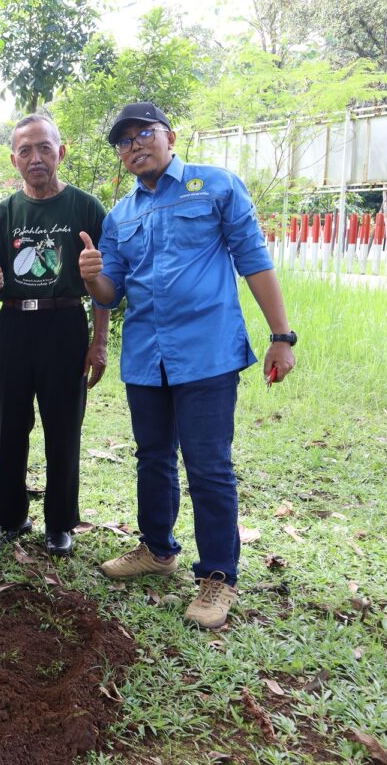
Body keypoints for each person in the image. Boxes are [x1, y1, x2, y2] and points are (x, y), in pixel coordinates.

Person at [79, 101, 297, 629]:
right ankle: (157, 549)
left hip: (207, 353)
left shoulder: (217, 185)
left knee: (208, 465)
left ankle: (218, 575)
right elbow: (112, 291)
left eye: (143, 133)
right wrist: (91, 277)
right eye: (124, 140)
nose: (135, 145)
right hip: (146, 357)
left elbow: (254, 259)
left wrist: (281, 336)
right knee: (152, 456)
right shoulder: (121, 216)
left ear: (169, 136)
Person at [0, 115, 109, 557]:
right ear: (14, 159)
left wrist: (100, 341)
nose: (36, 158)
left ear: (61, 151)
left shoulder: (86, 208)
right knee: (12, 428)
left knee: (63, 428)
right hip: (15, 326)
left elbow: (105, 282)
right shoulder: (3, 215)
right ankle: (10, 517)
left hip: (66, 325)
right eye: (26, 150)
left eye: (44, 148)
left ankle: (59, 523)